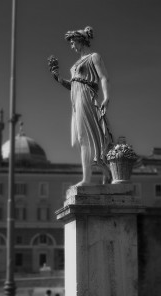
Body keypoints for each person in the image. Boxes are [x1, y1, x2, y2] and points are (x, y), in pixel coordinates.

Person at [48, 26, 113, 186]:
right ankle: (104, 172)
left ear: (80, 40)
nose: (71, 46)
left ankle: (88, 179)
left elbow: (103, 77)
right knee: (79, 138)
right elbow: (73, 85)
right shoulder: (76, 64)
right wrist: (58, 78)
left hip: (87, 96)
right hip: (76, 99)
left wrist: (106, 97)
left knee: (85, 137)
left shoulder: (93, 57)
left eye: (72, 42)